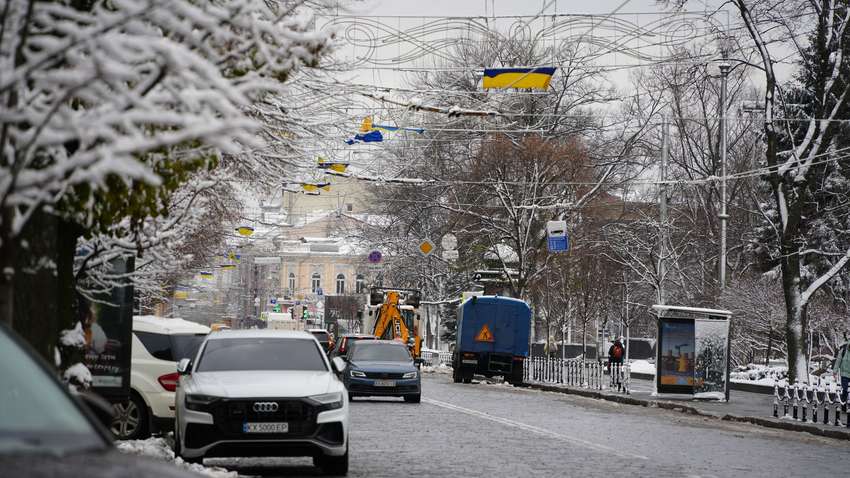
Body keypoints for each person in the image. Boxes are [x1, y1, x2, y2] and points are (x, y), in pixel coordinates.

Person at [835, 335, 850, 403]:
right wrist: (835, 371)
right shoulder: (843, 350)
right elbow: (838, 360)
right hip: (844, 374)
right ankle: (843, 404)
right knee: (845, 389)